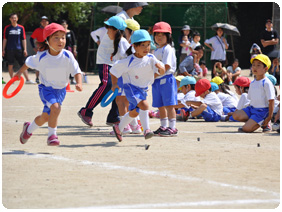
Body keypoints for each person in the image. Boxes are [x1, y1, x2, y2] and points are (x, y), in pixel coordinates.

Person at [15, 23, 83, 146]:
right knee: (56, 108)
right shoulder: (41, 57)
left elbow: (77, 71)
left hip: (61, 91)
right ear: (47, 40)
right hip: (46, 89)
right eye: (56, 37)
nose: (60, 41)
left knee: (46, 117)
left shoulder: (68, 55)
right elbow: (28, 63)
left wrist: (79, 83)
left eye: (63, 37)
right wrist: (19, 73)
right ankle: (52, 135)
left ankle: (28, 130)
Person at [110, 29, 165, 141]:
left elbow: (160, 72)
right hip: (131, 88)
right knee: (144, 105)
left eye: (148, 45)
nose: (146, 48)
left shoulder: (150, 58)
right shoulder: (128, 61)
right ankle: (147, 130)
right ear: (134, 46)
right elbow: (113, 70)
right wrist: (114, 84)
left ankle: (118, 128)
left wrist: (162, 70)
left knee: (135, 112)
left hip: (143, 89)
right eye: (143, 45)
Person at [78, 16, 127, 127]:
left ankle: (114, 117)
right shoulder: (112, 37)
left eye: (109, 28)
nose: (106, 30)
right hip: (106, 63)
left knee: (117, 89)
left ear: (116, 30)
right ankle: (86, 111)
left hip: (114, 65)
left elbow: (128, 53)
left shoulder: (121, 40)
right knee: (107, 84)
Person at [113, 18, 141, 135]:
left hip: (123, 75)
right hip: (126, 75)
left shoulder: (123, 42)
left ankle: (125, 126)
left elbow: (126, 58)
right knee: (126, 101)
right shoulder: (127, 43)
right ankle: (134, 126)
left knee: (120, 101)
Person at [232, 54, 275, 133]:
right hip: (251, 109)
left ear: (265, 69)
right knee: (235, 115)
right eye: (253, 65)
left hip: (262, 111)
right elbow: (250, 100)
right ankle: (255, 122)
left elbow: (271, 100)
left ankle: (265, 123)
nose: (255, 67)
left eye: (258, 65)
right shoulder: (253, 82)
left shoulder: (266, 83)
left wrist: (269, 117)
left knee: (246, 129)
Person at [152, 22, 178, 137]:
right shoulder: (156, 50)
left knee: (169, 105)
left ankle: (172, 128)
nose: (159, 37)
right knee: (160, 105)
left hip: (166, 79)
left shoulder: (168, 49)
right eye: (157, 34)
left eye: (163, 34)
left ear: (168, 36)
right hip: (157, 80)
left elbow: (166, 66)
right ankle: (163, 126)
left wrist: (154, 76)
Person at [2, 13, 35, 84]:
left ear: (17, 19)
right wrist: (3, 49)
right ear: (10, 19)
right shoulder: (7, 28)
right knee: (10, 64)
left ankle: (28, 80)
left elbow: (24, 39)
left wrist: (25, 49)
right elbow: (5, 39)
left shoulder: (21, 27)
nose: (14, 19)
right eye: (12, 18)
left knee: (23, 64)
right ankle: (12, 80)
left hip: (19, 49)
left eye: (15, 18)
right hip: (9, 49)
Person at [30, 16, 49, 84]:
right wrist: (34, 48)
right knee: (38, 63)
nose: (44, 22)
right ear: (41, 22)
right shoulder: (37, 30)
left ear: (48, 22)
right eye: (42, 21)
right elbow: (31, 38)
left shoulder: (49, 29)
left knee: (48, 64)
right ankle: (37, 78)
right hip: (40, 49)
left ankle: (47, 78)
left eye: (45, 21)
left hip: (49, 49)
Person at [61, 20, 78, 84]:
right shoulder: (60, 33)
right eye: (62, 24)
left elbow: (74, 42)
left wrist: (74, 50)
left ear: (67, 25)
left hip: (70, 50)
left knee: (71, 64)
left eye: (64, 24)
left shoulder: (70, 32)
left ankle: (72, 78)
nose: (64, 26)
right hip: (62, 50)